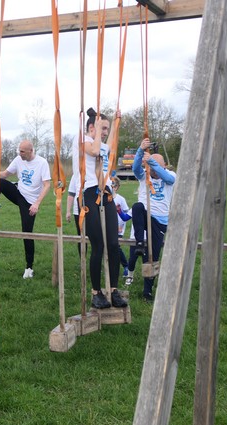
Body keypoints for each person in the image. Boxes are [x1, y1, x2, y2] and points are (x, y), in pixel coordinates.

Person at [0, 140, 51, 279]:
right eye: (19, 151)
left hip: (30, 202)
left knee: (27, 233)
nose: (20, 153)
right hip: (18, 193)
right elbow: (5, 174)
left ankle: (29, 268)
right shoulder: (18, 159)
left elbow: (47, 185)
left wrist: (37, 204)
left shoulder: (42, 163)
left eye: (22, 151)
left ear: (31, 151)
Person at [81, 107, 127, 309]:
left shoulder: (103, 145)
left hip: (106, 193)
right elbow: (93, 151)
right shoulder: (83, 140)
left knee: (114, 244)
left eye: (107, 129)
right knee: (98, 245)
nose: (105, 132)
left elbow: (111, 145)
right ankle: (96, 292)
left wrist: (116, 123)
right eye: (103, 128)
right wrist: (100, 129)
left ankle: (114, 290)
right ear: (92, 127)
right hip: (90, 193)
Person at [131, 138, 176, 301]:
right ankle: (139, 243)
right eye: (151, 168)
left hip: (160, 221)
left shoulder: (170, 175)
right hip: (145, 215)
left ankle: (147, 291)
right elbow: (135, 168)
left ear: (163, 166)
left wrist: (152, 162)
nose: (154, 172)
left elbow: (168, 179)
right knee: (137, 207)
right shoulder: (144, 176)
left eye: (157, 167)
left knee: (152, 256)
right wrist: (140, 151)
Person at [111, 176, 131, 281]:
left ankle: (126, 266)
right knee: (108, 247)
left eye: (114, 185)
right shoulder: (104, 199)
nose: (112, 187)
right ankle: (111, 266)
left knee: (116, 247)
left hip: (118, 228)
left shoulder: (120, 199)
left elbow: (126, 214)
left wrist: (121, 226)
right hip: (108, 227)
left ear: (117, 187)